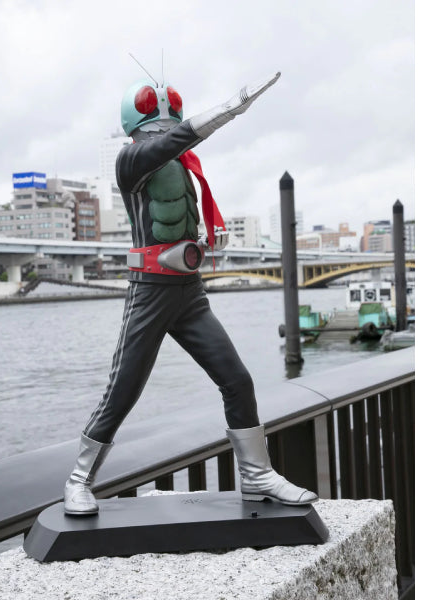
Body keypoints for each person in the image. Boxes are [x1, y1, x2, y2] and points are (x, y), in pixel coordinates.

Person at [64, 72, 318, 515]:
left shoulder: (183, 163)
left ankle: (256, 475)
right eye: (153, 103)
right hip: (150, 292)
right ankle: (78, 480)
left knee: (237, 380)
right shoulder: (132, 160)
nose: (164, 111)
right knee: (123, 392)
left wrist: (203, 239)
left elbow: (177, 200)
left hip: (190, 292)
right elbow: (169, 143)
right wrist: (228, 109)